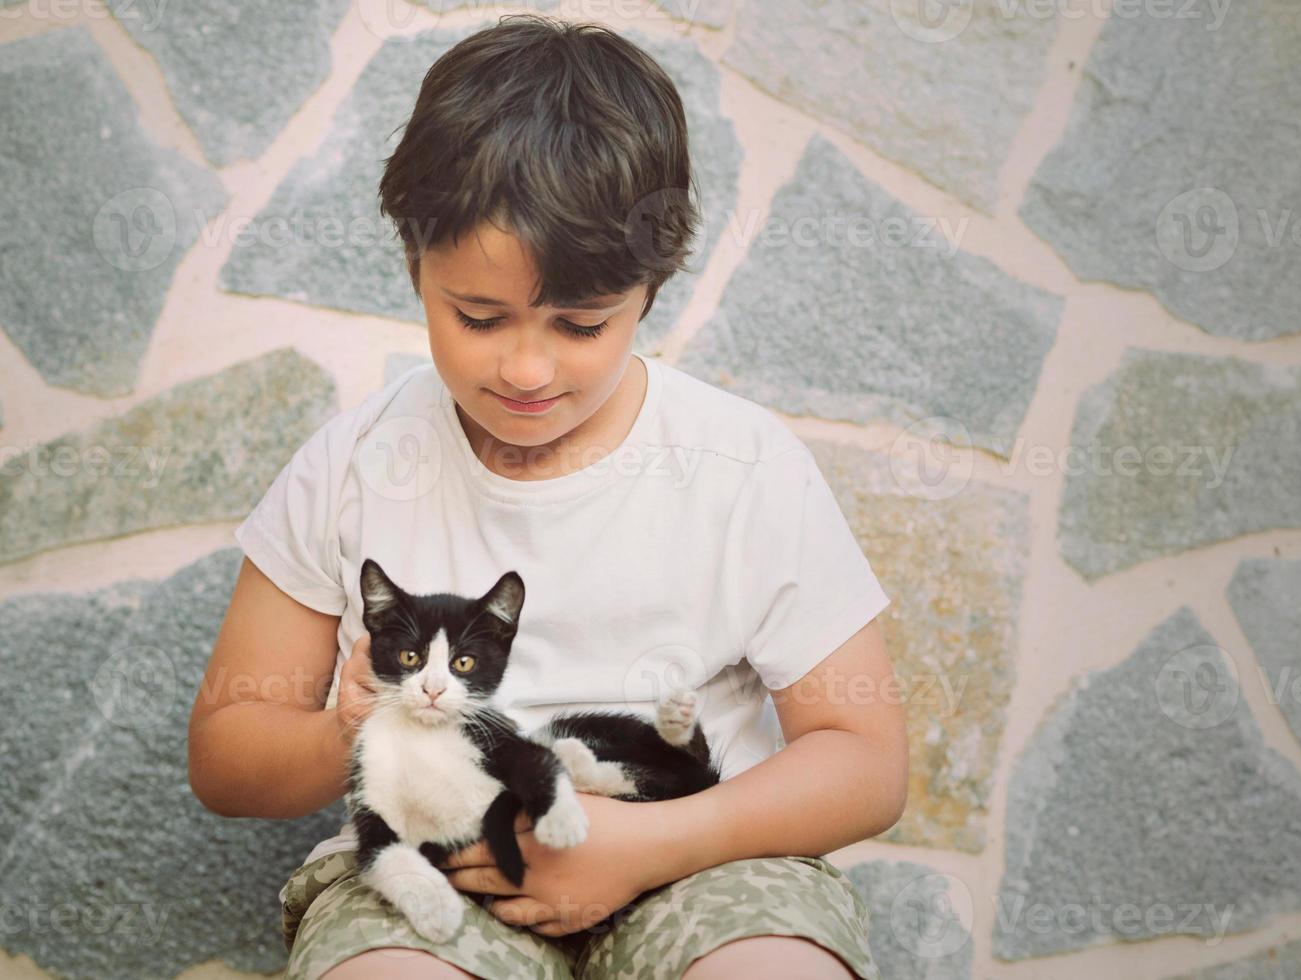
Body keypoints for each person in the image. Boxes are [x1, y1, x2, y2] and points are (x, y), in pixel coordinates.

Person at [188, 13, 908, 980]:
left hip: (700, 857)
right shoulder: (353, 464)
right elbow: (227, 758)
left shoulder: (741, 466)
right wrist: (343, 727)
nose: (528, 368)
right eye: (480, 317)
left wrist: (654, 845)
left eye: (580, 325)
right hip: (435, 865)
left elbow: (865, 759)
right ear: (414, 266)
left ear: (649, 292)